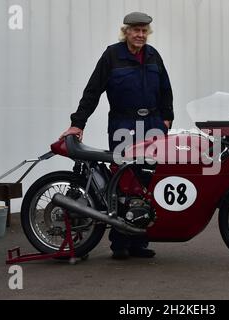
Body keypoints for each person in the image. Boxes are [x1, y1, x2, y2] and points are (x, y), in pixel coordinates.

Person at [59, 12, 174, 259]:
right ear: (126, 32)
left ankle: (139, 242)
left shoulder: (153, 55)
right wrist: (78, 123)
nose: (140, 35)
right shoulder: (112, 55)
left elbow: (166, 88)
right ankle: (119, 244)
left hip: (153, 124)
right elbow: (93, 90)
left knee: (146, 184)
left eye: (144, 31)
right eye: (136, 30)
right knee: (123, 183)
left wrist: (167, 118)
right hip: (124, 124)